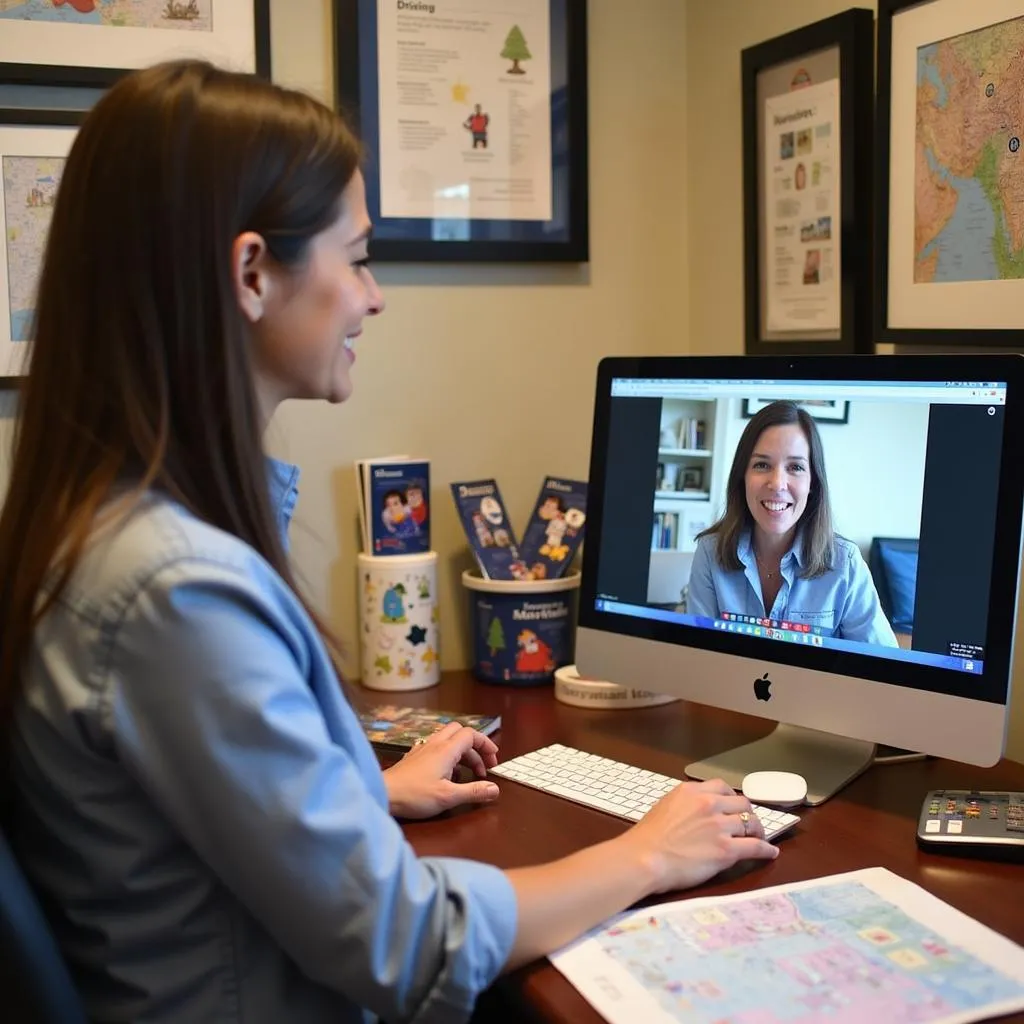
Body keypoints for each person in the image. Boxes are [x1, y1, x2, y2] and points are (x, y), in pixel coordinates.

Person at [0, 61, 778, 1024]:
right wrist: (648, 853)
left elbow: (193, 811)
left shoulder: (102, 530)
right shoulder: (174, 591)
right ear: (252, 274)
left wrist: (358, 789)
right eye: (357, 257)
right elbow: (409, 943)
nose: (375, 297)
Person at [687, 401, 898, 647]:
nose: (777, 483)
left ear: (813, 484)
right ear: (742, 476)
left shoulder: (846, 564)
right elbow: (697, 656)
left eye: (795, 467)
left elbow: (883, 667)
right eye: (762, 465)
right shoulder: (709, 552)